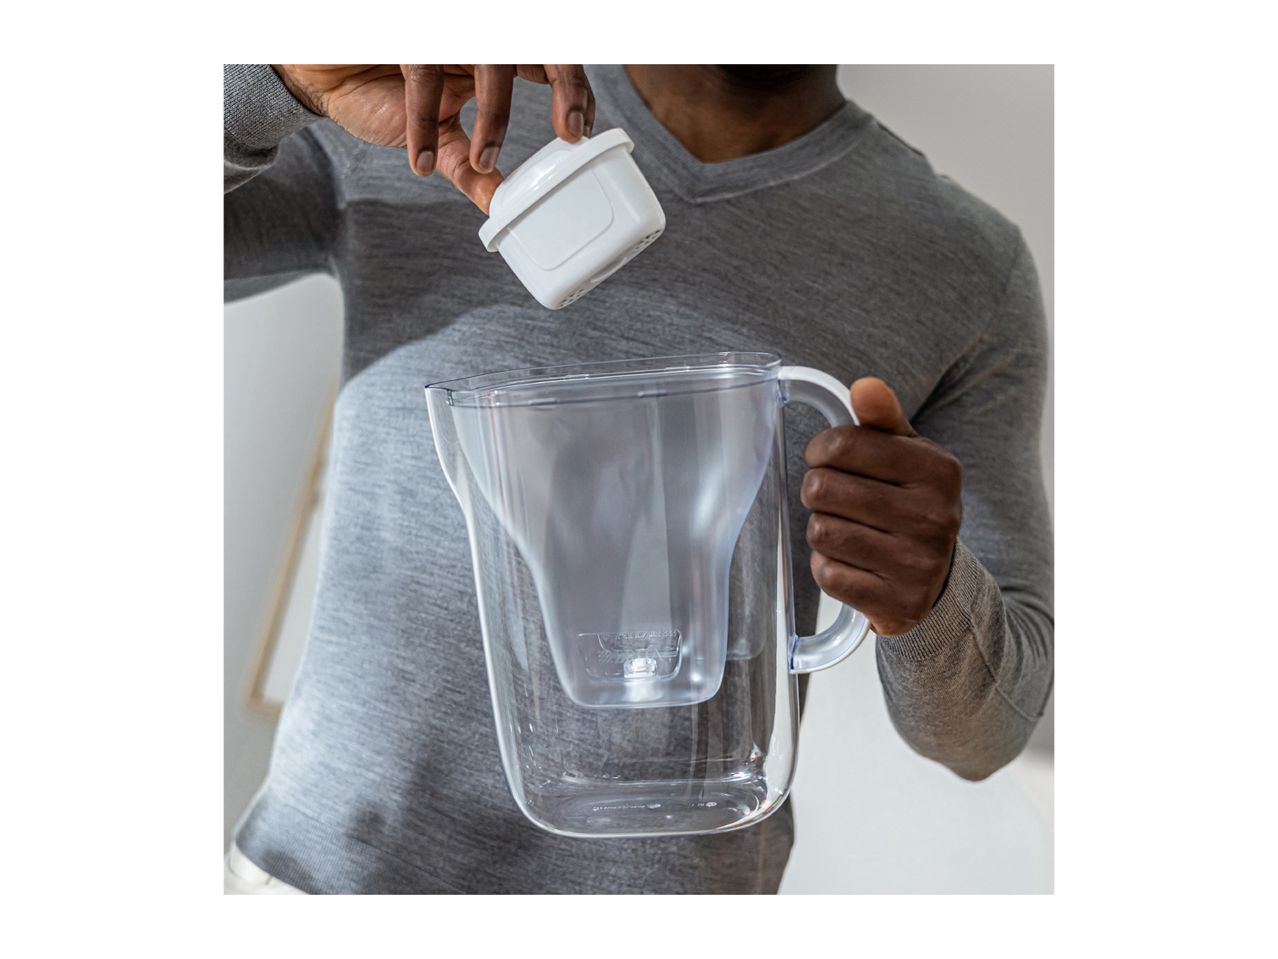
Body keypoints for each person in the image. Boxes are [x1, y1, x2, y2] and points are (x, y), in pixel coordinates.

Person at [224, 63, 1053, 894]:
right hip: (320, 879)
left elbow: (989, 733)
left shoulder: (967, 264)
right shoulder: (429, 92)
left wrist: (934, 597)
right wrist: (279, 78)